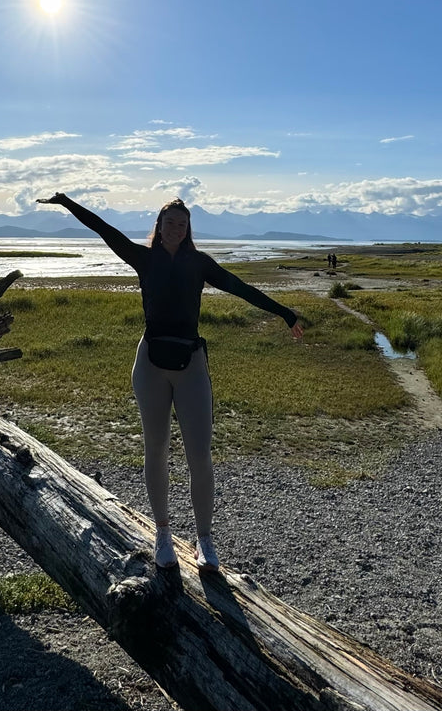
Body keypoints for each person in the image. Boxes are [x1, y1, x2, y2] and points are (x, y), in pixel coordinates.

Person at [37, 193, 304, 572]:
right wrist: (67, 203)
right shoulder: (143, 259)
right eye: (171, 223)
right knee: (156, 447)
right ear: (158, 227)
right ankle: (162, 534)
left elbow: (240, 287)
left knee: (200, 456)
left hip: (191, 363)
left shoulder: (199, 263)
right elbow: (103, 230)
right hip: (150, 364)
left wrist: (285, 313)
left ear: (187, 229)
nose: (177, 229)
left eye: (183, 224)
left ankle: (205, 540)